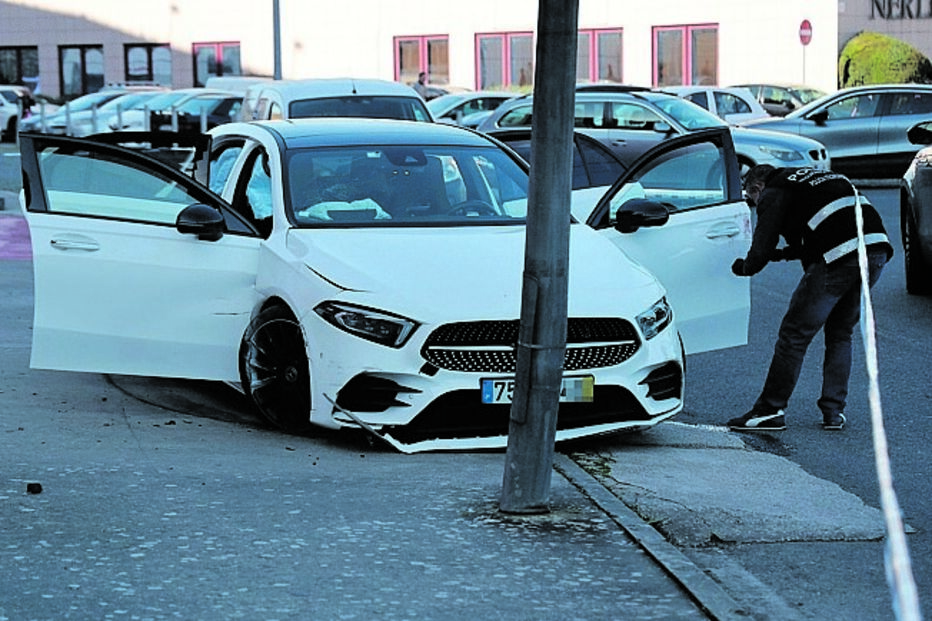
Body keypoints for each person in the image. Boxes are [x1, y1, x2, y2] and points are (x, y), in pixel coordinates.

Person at [727, 165, 893, 432]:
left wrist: (745, 267)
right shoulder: (812, 179)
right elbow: (817, 234)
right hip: (875, 251)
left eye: (753, 199)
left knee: (794, 335)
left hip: (840, 254)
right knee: (840, 333)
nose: (756, 204)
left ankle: (769, 410)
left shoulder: (775, 190)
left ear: (757, 188)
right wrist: (782, 255)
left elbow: (763, 243)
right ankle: (834, 412)